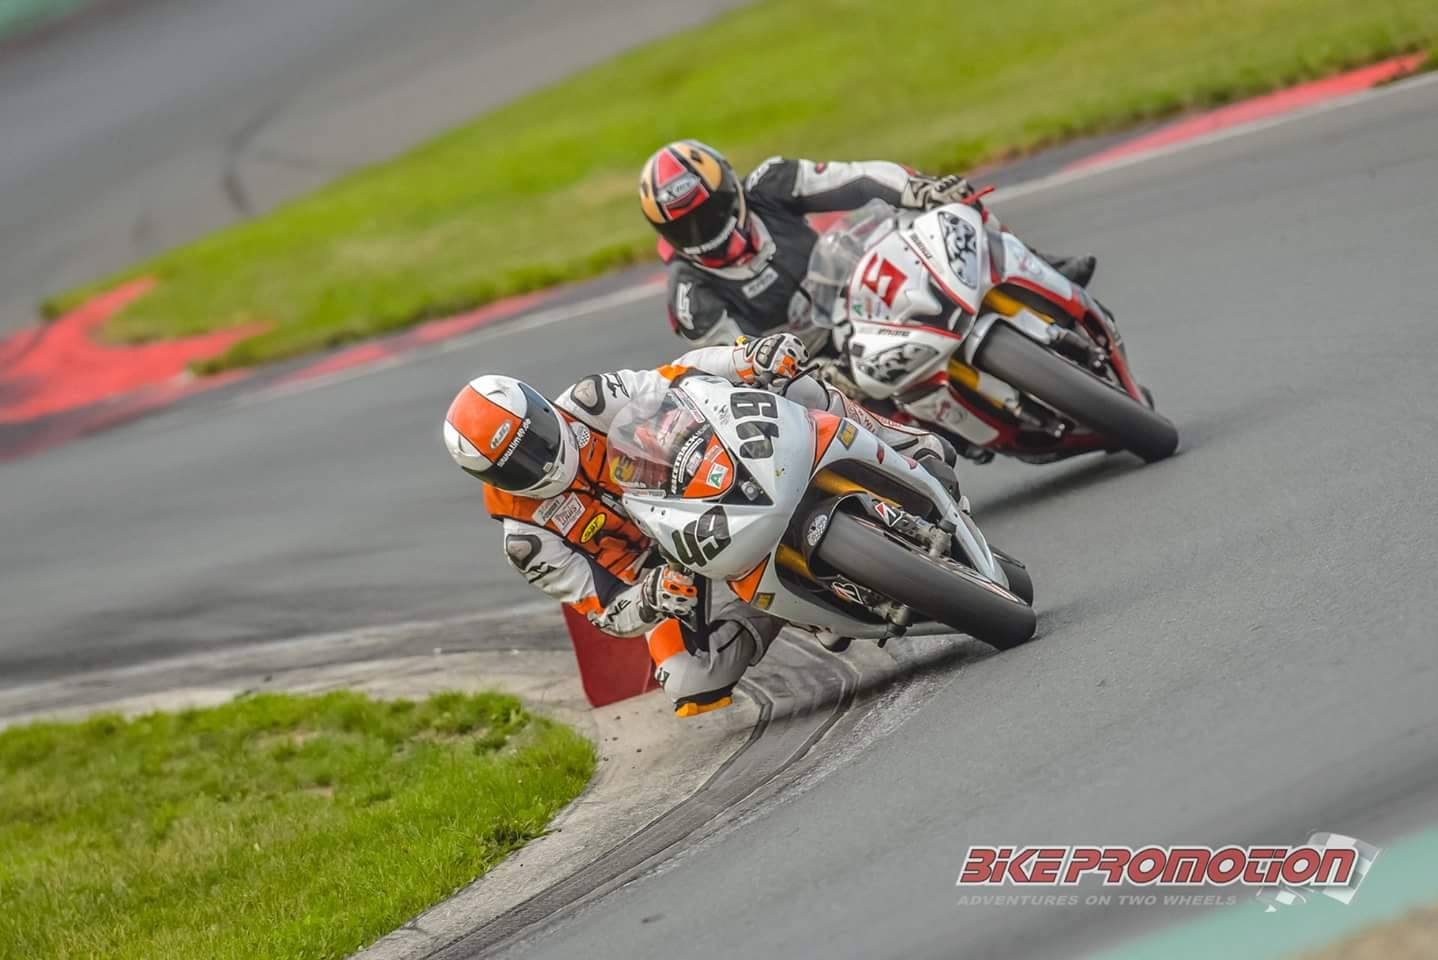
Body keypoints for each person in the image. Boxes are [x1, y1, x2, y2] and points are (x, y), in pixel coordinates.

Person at [442, 333, 958, 717]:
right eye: (516, 464)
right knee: (689, 679)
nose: (538, 459)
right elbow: (603, 609)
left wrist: (746, 360)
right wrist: (650, 598)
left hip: (704, 475)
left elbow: (679, 374)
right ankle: (796, 607)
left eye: (534, 437)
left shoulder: (591, 400)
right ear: (487, 477)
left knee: (788, 378)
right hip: (676, 569)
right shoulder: (527, 538)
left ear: (539, 406)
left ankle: (904, 445)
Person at [639, 139, 1096, 346]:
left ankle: (1040, 268)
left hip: (862, 288)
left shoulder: (770, 183)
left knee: (951, 207)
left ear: (728, 187)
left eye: (709, 213)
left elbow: (858, 178)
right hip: (815, 370)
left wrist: (918, 190)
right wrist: (792, 373)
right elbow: (736, 363)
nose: (703, 232)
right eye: (685, 228)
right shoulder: (689, 294)